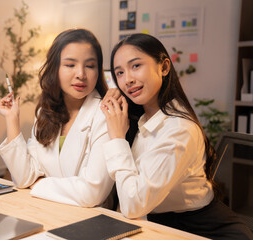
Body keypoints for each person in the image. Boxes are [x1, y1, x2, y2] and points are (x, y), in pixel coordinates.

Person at [101, 33, 253, 239]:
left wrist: (117, 138)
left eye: (136, 66)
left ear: (163, 67)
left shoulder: (179, 129)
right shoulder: (141, 119)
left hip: (200, 229)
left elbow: (133, 204)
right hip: (159, 223)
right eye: (119, 72)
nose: (127, 79)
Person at [0, 28, 115, 208]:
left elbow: (92, 193)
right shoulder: (46, 111)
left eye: (90, 66)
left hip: (90, 222)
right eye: (70, 65)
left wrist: (38, 184)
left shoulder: (106, 114)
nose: (81, 74)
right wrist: (12, 119)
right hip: (48, 210)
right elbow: (23, 177)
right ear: (55, 69)